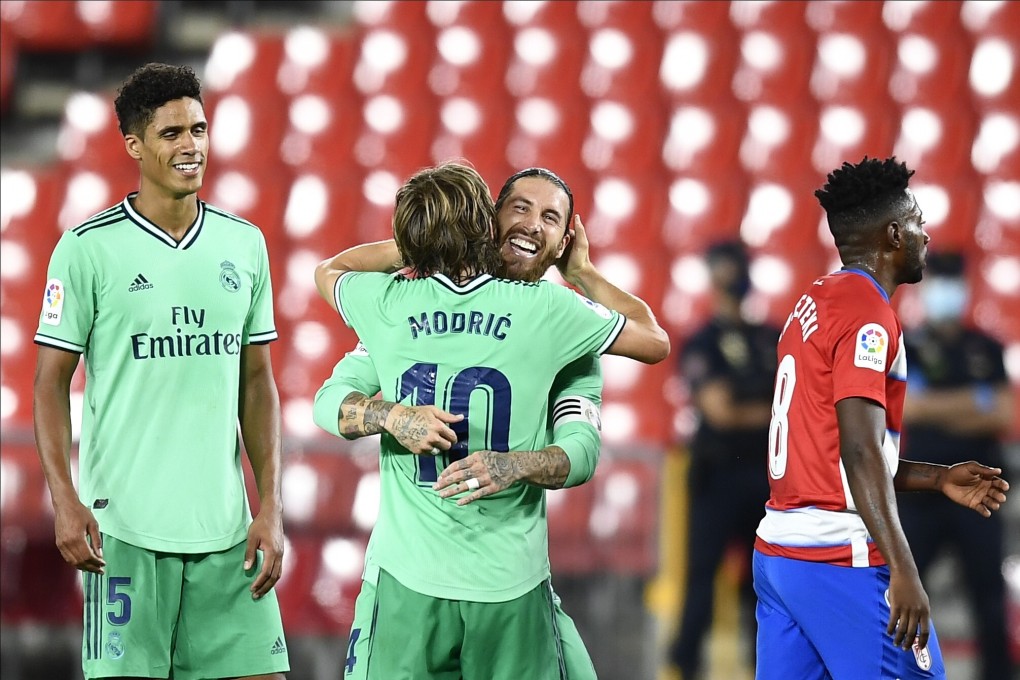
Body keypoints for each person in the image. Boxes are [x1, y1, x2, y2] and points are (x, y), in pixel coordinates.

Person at [312, 161, 670, 679]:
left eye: (550, 217)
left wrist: (513, 465)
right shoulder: (555, 313)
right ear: (488, 218)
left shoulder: (400, 302)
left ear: (564, 240)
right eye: (520, 208)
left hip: (493, 583)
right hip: (437, 578)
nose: (531, 224)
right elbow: (332, 400)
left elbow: (582, 450)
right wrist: (392, 415)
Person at [32, 63, 288, 680]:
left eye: (199, 129)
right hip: (122, 536)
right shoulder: (87, 248)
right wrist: (63, 498)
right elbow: (48, 382)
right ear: (134, 145)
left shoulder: (244, 244)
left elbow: (257, 382)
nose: (191, 146)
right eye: (172, 133)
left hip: (228, 534)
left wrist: (270, 504)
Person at [752, 156, 1009, 680]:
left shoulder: (814, 301)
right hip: (838, 558)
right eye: (917, 220)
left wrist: (937, 478)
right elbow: (859, 450)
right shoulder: (868, 316)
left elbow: (830, 449)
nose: (926, 234)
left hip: (779, 554)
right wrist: (904, 569)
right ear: (893, 235)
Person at [899, 251, 1014, 680]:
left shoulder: (985, 347)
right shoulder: (906, 344)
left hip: (981, 490)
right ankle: (891, 669)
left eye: (953, 281)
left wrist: (934, 405)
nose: (947, 291)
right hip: (921, 489)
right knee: (903, 590)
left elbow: (1002, 414)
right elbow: (908, 408)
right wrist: (971, 401)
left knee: (988, 594)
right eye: (939, 281)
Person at [668, 241, 778, 679]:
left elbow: (804, 400)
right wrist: (772, 409)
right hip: (718, 478)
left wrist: (753, 407)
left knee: (767, 586)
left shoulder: (772, 337)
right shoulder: (702, 342)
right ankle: (684, 668)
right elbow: (721, 411)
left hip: (767, 479)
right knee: (701, 582)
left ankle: (768, 669)